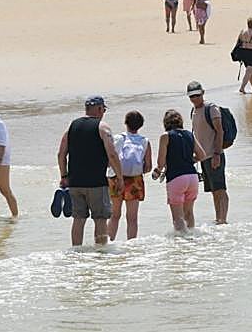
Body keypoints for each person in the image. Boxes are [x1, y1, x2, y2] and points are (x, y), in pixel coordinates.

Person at [57, 96, 124, 246]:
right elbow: (112, 154)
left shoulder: (71, 127)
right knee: (100, 219)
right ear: (99, 108)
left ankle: (76, 253)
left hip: (75, 183)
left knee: (78, 220)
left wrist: (64, 175)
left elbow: (61, 154)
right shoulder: (102, 127)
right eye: (104, 109)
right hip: (97, 183)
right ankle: (100, 253)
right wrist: (119, 177)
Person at [153, 109, 208, 232]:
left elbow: (160, 163)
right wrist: (189, 160)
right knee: (189, 213)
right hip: (192, 177)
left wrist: (156, 172)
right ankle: (192, 239)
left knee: (177, 217)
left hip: (176, 178)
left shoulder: (165, 136)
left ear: (166, 123)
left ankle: (181, 245)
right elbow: (202, 155)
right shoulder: (189, 134)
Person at [187, 81, 229, 224]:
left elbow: (220, 131)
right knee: (213, 191)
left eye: (197, 95)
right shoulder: (193, 112)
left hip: (215, 155)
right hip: (204, 158)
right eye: (192, 96)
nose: (195, 98)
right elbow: (197, 136)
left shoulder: (211, 109)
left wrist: (217, 154)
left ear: (203, 93)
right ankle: (219, 219)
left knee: (220, 189)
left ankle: (223, 220)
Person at [107, 111, 152, 241]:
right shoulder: (145, 141)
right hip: (135, 180)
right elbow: (148, 167)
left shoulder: (118, 138)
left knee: (115, 215)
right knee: (132, 218)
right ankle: (132, 244)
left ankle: (109, 242)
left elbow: (110, 158)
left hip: (116, 178)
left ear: (125, 122)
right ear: (141, 125)